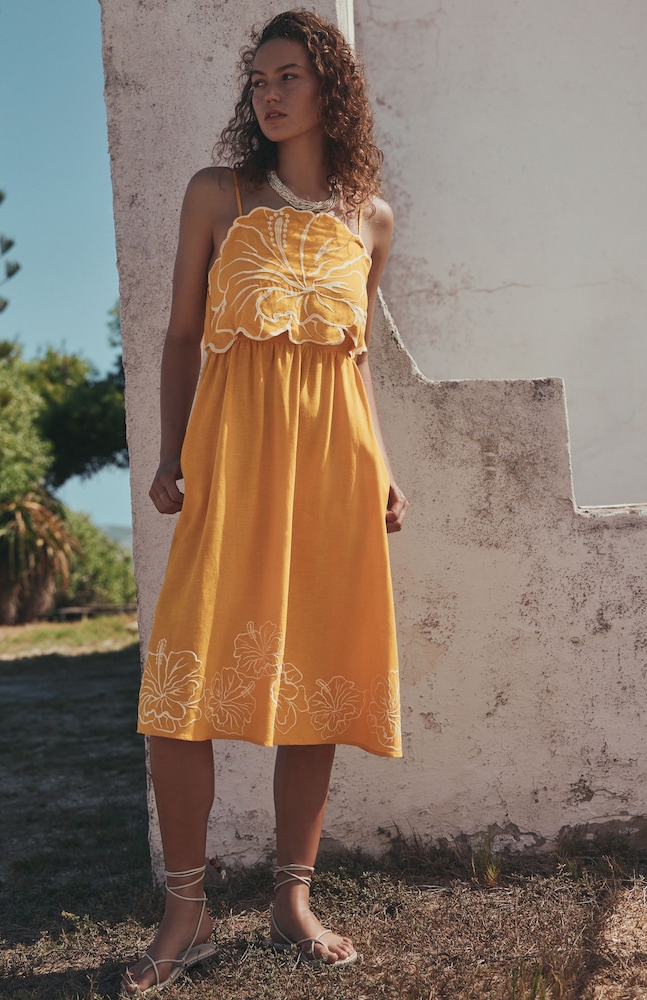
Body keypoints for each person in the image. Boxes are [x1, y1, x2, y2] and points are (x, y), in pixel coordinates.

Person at [122, 9, 408, 994]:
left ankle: (293, 896)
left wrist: (381, 467)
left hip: (334, 469)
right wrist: (169, 452)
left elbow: (356, 364)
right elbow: (180, 337)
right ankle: (188, 909)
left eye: (289, 74)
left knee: (317, 678)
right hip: (233, 463)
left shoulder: (371, 217)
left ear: (331, 86)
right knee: (179, 691)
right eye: (259, 80)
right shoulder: (218, 194)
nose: (271, 93)